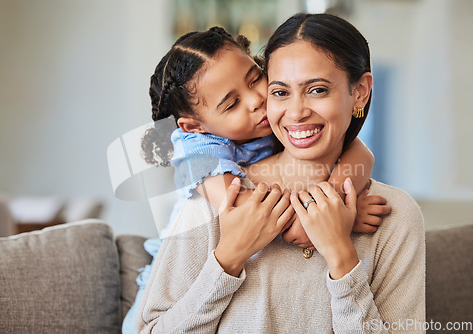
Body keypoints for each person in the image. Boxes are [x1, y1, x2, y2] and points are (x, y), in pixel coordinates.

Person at [135, 13, 425, 333]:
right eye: (280, 91)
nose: (295, 111)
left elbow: (359, 151)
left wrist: (342, 256)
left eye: (317, 90)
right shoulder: (212, 189)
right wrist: (227, 260)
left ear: (360, 92)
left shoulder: (394, 214)